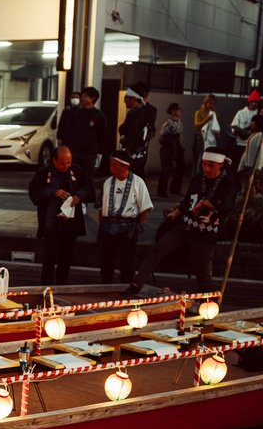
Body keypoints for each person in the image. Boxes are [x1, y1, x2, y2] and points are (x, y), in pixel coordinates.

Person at [126, 147, 239, 295]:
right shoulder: (198, 178)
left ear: (221, 164)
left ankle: (207, 302)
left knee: (202, 271)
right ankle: (136, 284)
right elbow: (187, 200)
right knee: (158, 249)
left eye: (211, 165)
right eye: (204, 164)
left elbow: (226, 204)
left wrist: (206, 204)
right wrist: (177, 212)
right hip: (185, 226)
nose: (206, 168)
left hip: (205, 232)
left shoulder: (228, 182)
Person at [28, 145, 95, 285]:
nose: (66, 165)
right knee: (50, 256)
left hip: (70, 223)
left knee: (67, 256)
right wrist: (53, 192)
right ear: (54, 161)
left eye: (68, 162)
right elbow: (34, 191)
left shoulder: (76, 171)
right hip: (51, 222)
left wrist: (78, 196)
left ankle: (62, 282)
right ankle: (46, 284)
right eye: (63, 163)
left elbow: (88, 186)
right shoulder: (43, 173)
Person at [97, 150, 154, 284]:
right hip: (107, 226)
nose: (111, 168)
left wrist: (139, 224)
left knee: (127, 261)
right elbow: (100, 206)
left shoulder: (138, 182)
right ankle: (106, 285)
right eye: (111, 164)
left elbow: (145, 207)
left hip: (127, 227)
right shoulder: (107, 182)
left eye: (114, 165)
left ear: (124, 166)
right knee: (106, 260)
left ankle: (126, 286)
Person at [56, 85, 107, 181]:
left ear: (92, 99)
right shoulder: (74, 113)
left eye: (85, 96)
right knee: (72, 177)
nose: (82, 98)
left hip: (89, 153)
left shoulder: (99, 115)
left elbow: (102, 135)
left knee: (87, 177)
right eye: (82, 96)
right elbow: (67, 130)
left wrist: (100, 152)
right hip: (74, 151)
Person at [118, 82, 155, 180]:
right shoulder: (134, 112)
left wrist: (128, 148)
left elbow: (135, 133)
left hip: (133, 153)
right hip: (132, 152)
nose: (124, 100)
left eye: (126, 97)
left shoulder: (139, 114)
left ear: (133, 99)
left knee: (134, 178)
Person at [156, 102, 185, 197]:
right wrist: (172, 139)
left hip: (177, 147)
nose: (180, 111)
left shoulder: (179, 121)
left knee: (181, 167)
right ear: (173, 111)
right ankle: (162, 191)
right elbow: (161, 137)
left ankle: (175, 188)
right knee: (166, 169)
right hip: (168, 148)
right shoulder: (168, 122)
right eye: (178, 109)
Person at [191, 94, 219, 178]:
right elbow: (197, 125)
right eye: (210, 103)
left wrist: (217, 132)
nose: (211, 105)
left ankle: (205, 176)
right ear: (206, 102)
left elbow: (216, 127)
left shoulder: (214, 114)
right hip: (200, 137)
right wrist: (207, 119)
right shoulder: (199, 112)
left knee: (209, 158)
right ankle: (197, 176)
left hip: (211, 138)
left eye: (213, 104)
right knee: (200, 157)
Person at [230, 89, 262, 158]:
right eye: (252, 102)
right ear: (249, 102)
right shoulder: (241, 113)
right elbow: (234, 126)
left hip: (253, 144)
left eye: (256, 102)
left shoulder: (259, 114)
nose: (254, 104)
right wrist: (235, 131)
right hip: (240, 144)